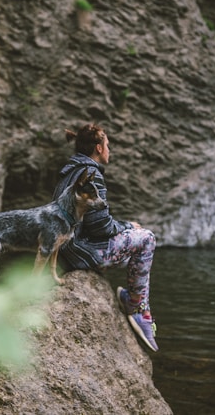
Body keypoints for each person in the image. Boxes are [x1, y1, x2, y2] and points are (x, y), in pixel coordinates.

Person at [52, 123, 159, 351]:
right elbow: (99, 226)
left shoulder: (70, 170)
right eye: (108, 145)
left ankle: (131, 298)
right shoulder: (91, 175)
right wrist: (127, 225)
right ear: (99, 148)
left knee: (132, 238)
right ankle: (138, 308)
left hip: (66, 249)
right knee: (146, 238)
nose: (110, 150)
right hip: (81, 250)